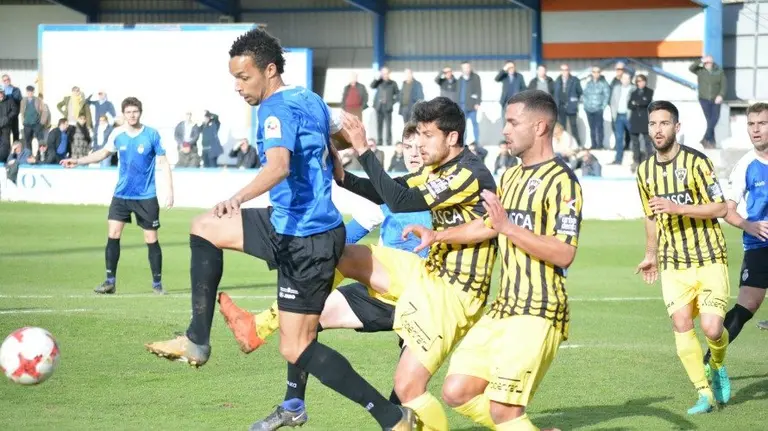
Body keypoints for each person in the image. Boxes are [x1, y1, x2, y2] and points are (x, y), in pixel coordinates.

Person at [143, 28, 415, 431]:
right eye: (234, 77)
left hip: (306, 239)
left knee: (297, 344)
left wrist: (237, 197)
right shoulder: (308, 97)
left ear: (269, 70)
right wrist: (334, 159)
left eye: (244, 77)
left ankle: (391, 417)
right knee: (204, 227)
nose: (237, 87)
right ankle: (198, 339)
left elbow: (279, 166)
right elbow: (334, 130)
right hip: (287, 225)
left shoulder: (273, 111)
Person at [217, 122, 432, 430]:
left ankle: (396, 418)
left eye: (419, 147)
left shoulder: (436, 193)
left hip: (422, 297)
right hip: (381, 292)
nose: (414, 153)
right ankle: (294, 403)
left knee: (407, 389)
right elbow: (347, 237)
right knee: (304, 323)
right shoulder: (389, 191)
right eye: (407, 146)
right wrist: (312, 256)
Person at [403, 90, 577, 431]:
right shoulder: (510, 176)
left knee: (503, 410)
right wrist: (438, 236)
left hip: (539, 308)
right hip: (504, 306)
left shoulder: (562, 181)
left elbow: (565, 252)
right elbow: (487, 226)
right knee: (457, 391)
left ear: (540, 126)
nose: (505, 130)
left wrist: (508, 228)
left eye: (512, 122)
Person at [332, 97, 498, 431]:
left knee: (410, 388)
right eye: (417, 134)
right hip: (431, 278)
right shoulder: (437, 169)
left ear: (451, 137)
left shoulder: (467, 172)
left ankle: (511, 423)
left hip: (458, 293)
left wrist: (365, 150)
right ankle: (272, 320)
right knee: (342, 252)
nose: (418, 143)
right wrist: (342, 174)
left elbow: (400, 201)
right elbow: (386, 192)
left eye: (426, 134)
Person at [635, 100, 731, 415]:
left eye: (664, 123)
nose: (657, 130)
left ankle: (717, 364)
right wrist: (651, 254)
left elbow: (719, 208)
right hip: (674, 262)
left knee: (713, 329)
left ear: (677, 127)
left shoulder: (697, 163)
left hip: (708, 256)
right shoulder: (645, 170)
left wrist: (679, 208)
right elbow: (650, 216)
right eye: (652, 124)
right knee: (680, 323)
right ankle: (703, 393)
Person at [60, 97, 174, 295]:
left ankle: (157, 283)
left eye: (135, 112)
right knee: (113, 234)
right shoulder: (117, 134)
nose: (132, 115)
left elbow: (164, 162)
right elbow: (102, 153)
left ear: (140, 113)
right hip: (121, 194)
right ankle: (110, 281)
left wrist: (170, 191)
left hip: (146, 196)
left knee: (151, 238)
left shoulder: (151, 135)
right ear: (123, 114)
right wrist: (78, 161)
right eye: (128, 112)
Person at [701, 102, 768, 372]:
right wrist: (747, 225)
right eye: (751, 124)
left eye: (761, 123)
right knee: (748, 305)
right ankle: (709, 364)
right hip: (759, 246)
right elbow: (726, 210)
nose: (756, 129)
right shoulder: (745, 167)